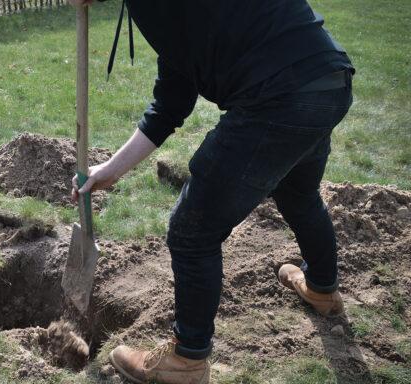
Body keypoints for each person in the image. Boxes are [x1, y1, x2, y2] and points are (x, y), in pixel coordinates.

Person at [69, 1, 354, 383]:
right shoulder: (178, 16)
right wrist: (111, 170)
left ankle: (187, 359)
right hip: (327, 79)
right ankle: (322, 289)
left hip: (277, 98)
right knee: (298, 194)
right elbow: (172, 99)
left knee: (192, 230)